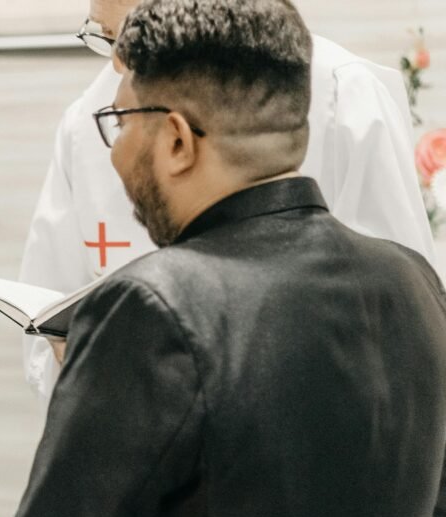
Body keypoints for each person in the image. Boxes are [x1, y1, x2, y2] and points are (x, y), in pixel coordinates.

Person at [0, 1, 446, 517]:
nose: (115, 150)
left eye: (119, 123)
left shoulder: (153, 308)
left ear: (178, 140)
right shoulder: (414, 285)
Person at [21, 0, 436, 403]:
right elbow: (47, 310)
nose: (117, 66)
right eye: (105, 38)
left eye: (134, 38)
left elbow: (402, 317)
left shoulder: (341, 88)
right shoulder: (85, 119)